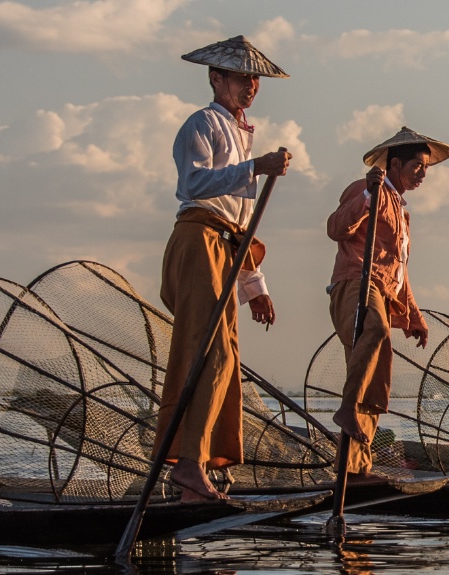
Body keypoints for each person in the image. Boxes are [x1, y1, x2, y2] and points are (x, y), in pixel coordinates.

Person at [156, 35, 293, 502]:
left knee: (225, 357)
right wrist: (256, 167)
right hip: (197, 241)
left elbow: (238, 222)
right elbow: (193, 182)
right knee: (205, 353)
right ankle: (188, 465)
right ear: (216, 79)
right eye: (240, 77)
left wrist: (256, 286)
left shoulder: (241, 132)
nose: (250, 86)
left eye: (254, 79)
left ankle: (198, 462)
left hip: (224, 247)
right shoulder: (203, 123)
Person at [326, 127, 449, 484]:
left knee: (376, 379)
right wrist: (368, 192)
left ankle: (354, 469)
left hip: (381, 290)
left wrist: (414, 317)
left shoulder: (402, 212)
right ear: (395, 164)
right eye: (417, 166)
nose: (423, 174)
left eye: (426, 168)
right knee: (376, 328)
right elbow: (336, 228)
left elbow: (399, 271)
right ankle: (346, 409)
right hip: (355, 283)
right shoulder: (367, 189)